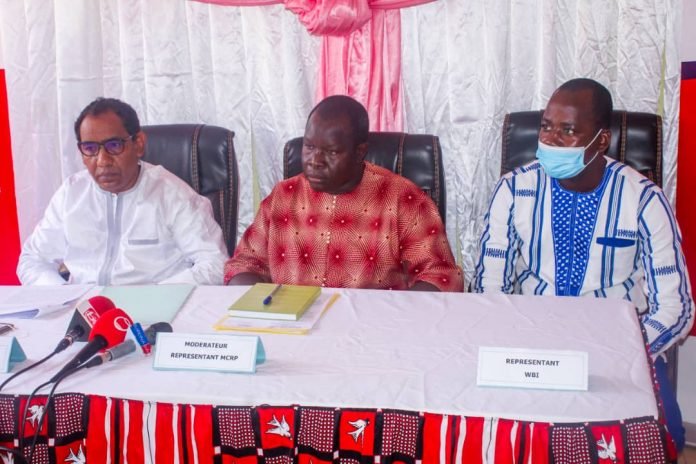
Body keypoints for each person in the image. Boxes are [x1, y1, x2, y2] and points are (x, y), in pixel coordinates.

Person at [473, 78, 694, 451]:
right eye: (546, 127)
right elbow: (489, 286)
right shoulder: (513, 189)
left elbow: (676, 308)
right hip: (531, 338)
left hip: (620, 346)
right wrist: (513, 339)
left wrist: (626, 351)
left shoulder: (643, 199)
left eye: (568, 131)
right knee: (499, 433)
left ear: (601, 140)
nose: (551, 140)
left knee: (659, 438)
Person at [225, 95, 463, 291]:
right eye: (309, 147)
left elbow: (440, 277)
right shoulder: (283, 197)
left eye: (331, 152)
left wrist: (393, 318)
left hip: (373, 329)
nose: (315, 161)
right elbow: (244, 264)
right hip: (293, 328)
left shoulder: (404, 199)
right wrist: (264, 305)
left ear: (360, 152)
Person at [17, 97, 228, 285]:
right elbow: (32, 260)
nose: (102, 160)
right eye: (90, 148)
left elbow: (215, 264)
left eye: (114, 145)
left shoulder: (173, 195)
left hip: (153, 308)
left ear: (138, 144)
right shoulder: (71, 193)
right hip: (84, 308)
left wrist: (157, 296)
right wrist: (63, 297)